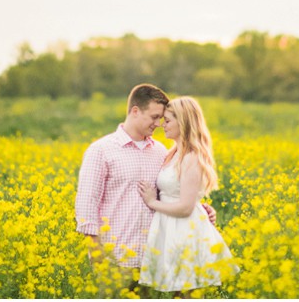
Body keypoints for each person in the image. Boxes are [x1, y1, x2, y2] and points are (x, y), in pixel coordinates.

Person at [74, 84, 216, 294]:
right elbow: (86, 207)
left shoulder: (161, 152)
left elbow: (170, 192)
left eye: (162, 118)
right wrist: (97, 256)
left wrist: (199, 208)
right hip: (116, 259)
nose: (159, 124)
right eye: (154, 116)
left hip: (152, 259)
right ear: (135, 111)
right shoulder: (101, 150)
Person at [137, 96, 239, 295]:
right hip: (171, 227)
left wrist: (152, 202)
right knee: (178, 293)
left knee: (186, 293)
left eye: (167, 121)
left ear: (182, 122)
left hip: (185, 230)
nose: (162, 125)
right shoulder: (173, 153)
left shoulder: (192, 157)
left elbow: (185, 208)